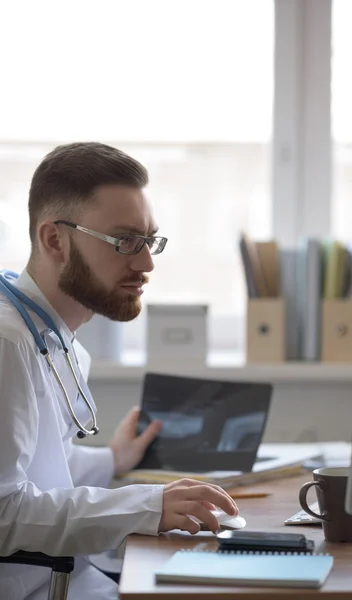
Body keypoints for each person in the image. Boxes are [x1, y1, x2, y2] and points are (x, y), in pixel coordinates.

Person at [0, 142, 239, 600]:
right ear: (55, 239)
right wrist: (148, 505)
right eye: (124, 241)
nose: (146, 263)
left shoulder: (56, 336)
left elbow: (38, 467)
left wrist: (113, 460)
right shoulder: (8, 344)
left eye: (149, 241)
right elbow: (5, 509)